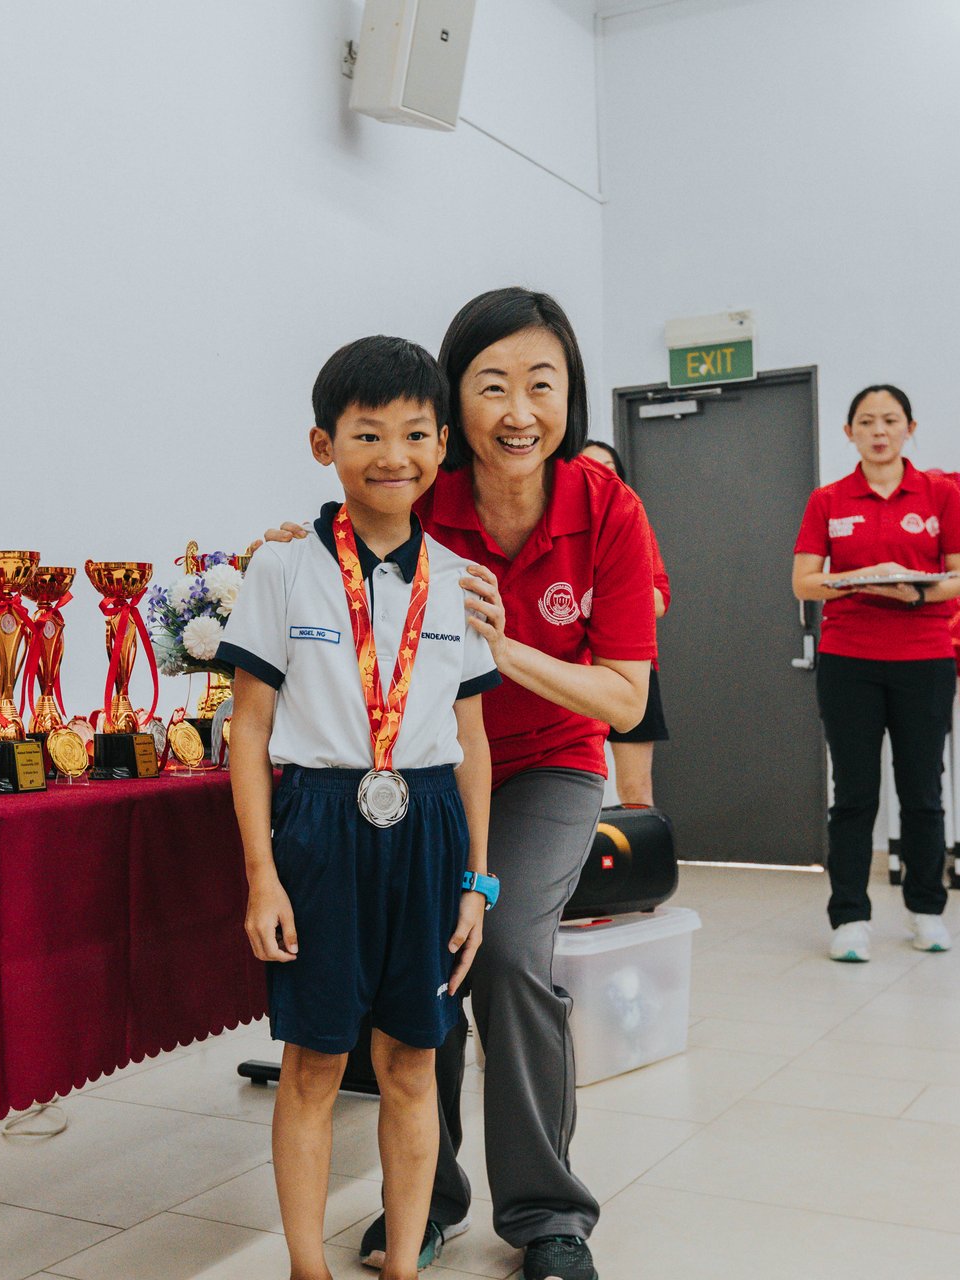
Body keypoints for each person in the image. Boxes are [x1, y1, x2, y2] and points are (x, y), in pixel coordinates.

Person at [257, 288, 657, 1280]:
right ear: (452, 409)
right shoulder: (421, 495)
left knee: (511, 948)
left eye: (542, 383)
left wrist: (505, 648)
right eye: (491, 385)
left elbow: (621, 696)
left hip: (551, 761)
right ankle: (423, 1203)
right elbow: (335, 562)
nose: (518, 409)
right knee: (422, 955)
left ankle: (548, 1211)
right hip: (423, 769)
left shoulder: (607, 508)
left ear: (570, 395)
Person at [221, 335, 501, 1280]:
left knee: (414, 1061)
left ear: (440, 449)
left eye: (416, 434)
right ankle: (309, 1267)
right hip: (321, 827)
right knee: (311, 1065)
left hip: (425, 827)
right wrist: (264, 876)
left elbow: (474, 743)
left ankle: (405, 1266)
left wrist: (476, 882)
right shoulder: (281, 572)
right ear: (322, 445)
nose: (394, 455)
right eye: (368, 433)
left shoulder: (459, 582)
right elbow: (249, 732)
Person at [792, 385, 960, 962]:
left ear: (909, 427)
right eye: (866, 421)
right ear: (849, 433)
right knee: (854, 795)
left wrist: (914, 595)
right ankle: (849, 918)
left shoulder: (940, 494)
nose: (879, 430)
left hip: (925, 659)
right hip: (849, 662)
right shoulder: (827, 500)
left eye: (890, 420)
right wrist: (863, 583)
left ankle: (927, 910)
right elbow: (803, 581)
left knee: (922, 793)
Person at [580, 440, 670, 805]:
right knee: (577, 786)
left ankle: (641, 864)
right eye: (589, 466)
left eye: (609, 468)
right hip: (569, 671)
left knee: (636, 791)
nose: (599, 476)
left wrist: (609, 590)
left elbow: (660, 599)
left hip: (631, 672)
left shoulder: (631, 522)